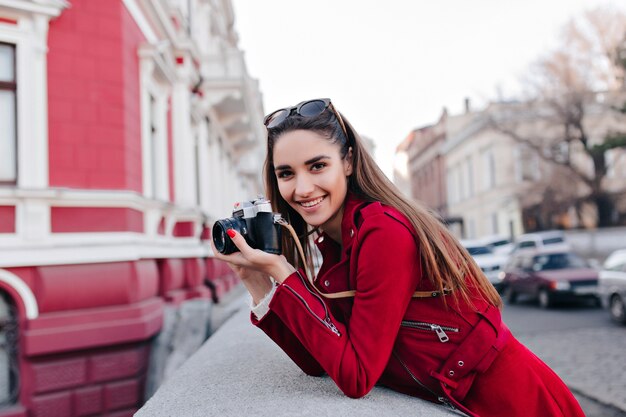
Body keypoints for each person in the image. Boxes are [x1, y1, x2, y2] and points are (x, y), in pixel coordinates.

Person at [211, 98, 585, 417]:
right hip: (464, 400)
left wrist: (284, 271)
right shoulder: (334, 246)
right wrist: (259, 282)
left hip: (515, 401)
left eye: (317, 165)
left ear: (348, 162)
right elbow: (319, 361)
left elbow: (356, 377)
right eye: (286, 174)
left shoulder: (383, 232)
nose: (303, 188)